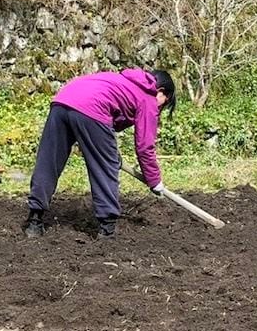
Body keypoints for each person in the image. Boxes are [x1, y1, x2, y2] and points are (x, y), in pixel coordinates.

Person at [24, 67, 176, 239]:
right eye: (165, 101)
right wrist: (154, 180)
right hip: (92, 107)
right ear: (162, 91)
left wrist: (97, 144)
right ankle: (107, 228)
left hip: (63, 100)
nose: (161, 106)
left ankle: (34, 220)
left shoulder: (121, 80)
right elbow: (144, 147)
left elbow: (108, 121)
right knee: (105, 167)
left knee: (48, 160)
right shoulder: (149, 97)